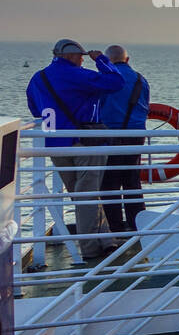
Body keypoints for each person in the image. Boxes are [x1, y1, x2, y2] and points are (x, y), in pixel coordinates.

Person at [25, 38, 125, 260]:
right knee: (86, 196)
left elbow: (34, 108)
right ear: (70, 56)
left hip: (54, 145)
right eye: (81, 57)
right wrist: (101, 59)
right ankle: (91, 250)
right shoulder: (76, 75)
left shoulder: (37, 78)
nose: (82, 61)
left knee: (81, 196)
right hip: (82, 142)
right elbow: (116, 82)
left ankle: (107, 241)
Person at [98, 44, 150, 233]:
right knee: (132, 181)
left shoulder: (105, 79)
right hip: (136, 136)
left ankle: (115, 227)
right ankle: (137, 225)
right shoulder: (140, 79)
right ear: (127, 59)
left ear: (107, 60)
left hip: (109, 136)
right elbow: (145, 106)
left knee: (109, 183)